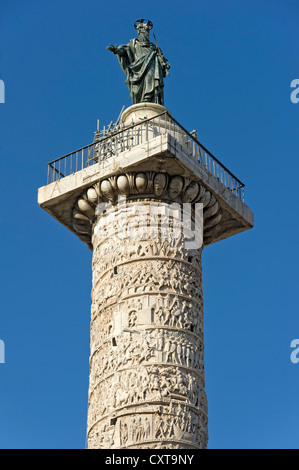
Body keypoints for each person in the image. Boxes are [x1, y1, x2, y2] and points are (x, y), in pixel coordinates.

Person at [107, 19, 170, 105]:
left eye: (147, 31)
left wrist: (165, 64)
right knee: (137, 90)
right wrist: (116, 50)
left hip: (151, 66)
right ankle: (143, 100)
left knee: (150, 77)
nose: (145, 34)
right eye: (143, 31)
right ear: (139, 32)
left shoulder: (153, 47)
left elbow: (162, 60)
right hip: (137, 69)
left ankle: (148, 98)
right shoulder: (133, 44)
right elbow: (124, 51)